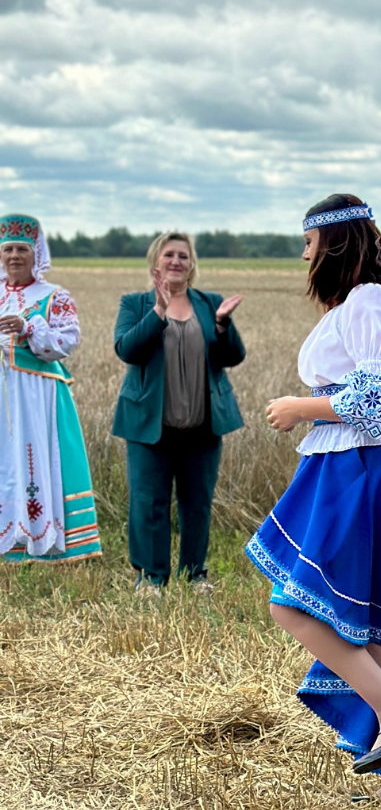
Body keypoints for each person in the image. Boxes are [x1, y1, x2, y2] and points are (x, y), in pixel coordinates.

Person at [245, 195, 381, 805]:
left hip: (365, 467)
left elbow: (374, 401)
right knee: (371, 617)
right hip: (354, 465)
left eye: (308, 242)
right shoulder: (359, 304)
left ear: (333, 243)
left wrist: (298, 407)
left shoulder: (370, 302)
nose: (303, 254)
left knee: (295, 605)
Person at [112, 232, 245, 593]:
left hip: (202, 425)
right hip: (148, 424)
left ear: (192, 264)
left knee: (197, 503)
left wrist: (221, 324)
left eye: (183, 256)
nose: (176, 261)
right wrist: (158, 310)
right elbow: (127, 349)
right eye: (169, 255)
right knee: (147, 503)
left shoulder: (209, 303)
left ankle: (194, 574)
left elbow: (232, 357)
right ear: (156, 261)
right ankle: (151, 577)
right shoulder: (136, 304)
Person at [0, 214, 102, 565]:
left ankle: (39, 538)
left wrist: (28, 327)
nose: (14, 256)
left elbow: (65, 343)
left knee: (31, 454)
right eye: (8, 249)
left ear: (36, 253)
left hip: (36, 393)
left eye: (22, 249)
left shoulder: (53, 296)